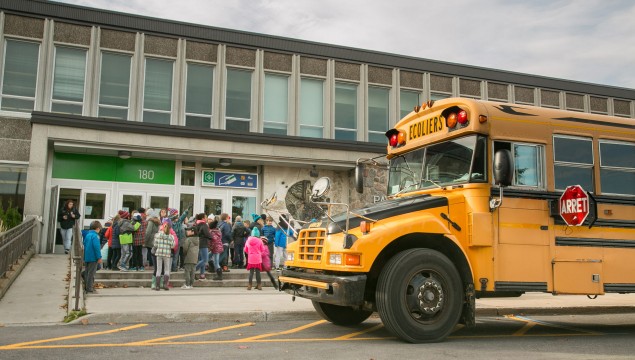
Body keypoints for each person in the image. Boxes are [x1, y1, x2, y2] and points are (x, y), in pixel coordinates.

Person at [152, 220, 175, 291]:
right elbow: (173, 246)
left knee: (158, 269)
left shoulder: (157, 235)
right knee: (166, 269)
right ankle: (165, 284)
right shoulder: (171, 237)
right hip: (167, 254)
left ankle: (157, 286)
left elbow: (155, 245)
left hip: (159, 253)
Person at [83, 220, 102, 293]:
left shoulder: (87, 235)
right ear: (97, 228)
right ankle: (89, 288)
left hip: (87, 257)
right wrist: (99, 257)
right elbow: (96, 247)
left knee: (89, 271)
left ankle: (87, 285)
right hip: (93, 257)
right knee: (91, 273)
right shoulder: (95, 236)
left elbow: (85, 244)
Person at [194, 213, 210, 280]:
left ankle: (202, 274)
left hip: (199, 243)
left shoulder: (197, 224)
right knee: (205, 259)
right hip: (204, 243)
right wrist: (212, 237)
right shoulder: (204, 225)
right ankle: (193, 271)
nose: (207, 219)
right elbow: (207, 234)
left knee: (201, 259)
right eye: (206, 217)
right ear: (203, 218)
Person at [207, 216, 223, 280]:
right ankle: (212, 268)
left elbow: (213, 241)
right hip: (218, 247)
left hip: (215, 248)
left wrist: (210, 246)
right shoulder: (218, 231)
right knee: (208, 256)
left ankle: (219, 275)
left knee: (216, 262)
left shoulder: (212, 233)